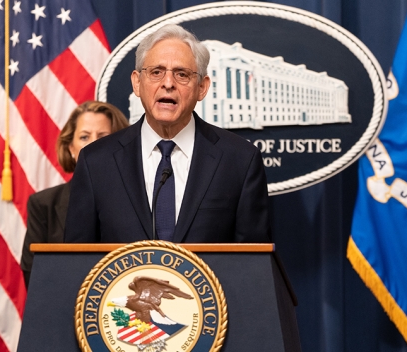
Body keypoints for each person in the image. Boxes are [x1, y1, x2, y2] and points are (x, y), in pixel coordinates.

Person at [64, 24, 271, 244]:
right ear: (137, 82)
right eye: (156, 72)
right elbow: (77, 262)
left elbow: (252, 266)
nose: (168, 84)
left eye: (182, 74)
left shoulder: (240, 160)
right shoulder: (96, 162)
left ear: (202, 87)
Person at [20, 101, 129, 287]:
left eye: (103, 136)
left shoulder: (141, 201)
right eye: (85, 137)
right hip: (63, 308)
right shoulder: (43, 204)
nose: (94, 144)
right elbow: (35, 276)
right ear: (71, 148)